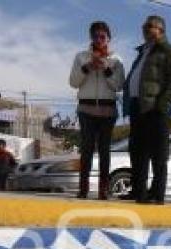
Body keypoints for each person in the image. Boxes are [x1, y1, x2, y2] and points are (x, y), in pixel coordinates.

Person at [123, 15, 171, 204]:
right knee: (137, 150)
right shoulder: (143, 52)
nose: (145, 29)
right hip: (138, 106)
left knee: (158, 153)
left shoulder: (169, 50)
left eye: (149, 26)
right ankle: (139, 192)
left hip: (157, 108)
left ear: (161, 30)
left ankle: (157, 195)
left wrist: (164, 105)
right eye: (144, 26)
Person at [69, 21, 125, 200]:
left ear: (109, 38)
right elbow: (73, 82)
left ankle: (103, 190)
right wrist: (87, 67)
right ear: (91, 38)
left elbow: (119, 85)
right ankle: (83, 189)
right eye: (95, 36)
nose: (99, 40)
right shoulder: (81, 57)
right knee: (86, 149)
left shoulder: (117, 59)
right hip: (86, 109)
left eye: (103, 36)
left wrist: (106, 68)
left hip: (107, 111)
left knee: (104, 150)